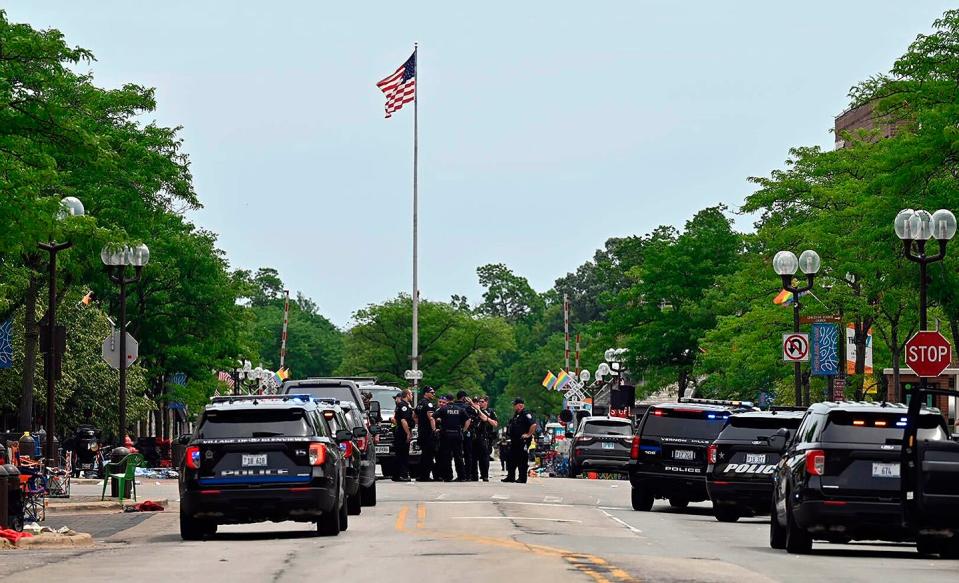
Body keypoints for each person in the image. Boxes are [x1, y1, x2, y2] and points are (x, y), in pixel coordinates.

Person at [503, 398, 537, 483]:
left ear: (520, 405)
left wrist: (528, 434)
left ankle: (522, 478)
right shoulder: (516, 415)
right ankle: (510, 476)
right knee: (511, 459)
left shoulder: (526, 414)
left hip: (523, 441)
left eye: (515, 404)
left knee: (522, 460)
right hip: (514, 441)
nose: (514, 406)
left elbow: (533, 424)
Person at [436, 391, 469, 481]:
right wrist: (464, 430)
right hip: (457, 434)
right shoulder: (460, 409)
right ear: (453, 400)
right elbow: (468, 420)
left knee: (446, 456)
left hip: (446, 435)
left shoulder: (443, 409)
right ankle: (462, 476)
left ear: (446, 400)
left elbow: (433, 417)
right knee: (458, 456)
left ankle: (448, 476)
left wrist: (437, 426)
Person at [468, 396, 498, 481]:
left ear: (486, 402)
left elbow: (495, 424)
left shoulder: (490, 411)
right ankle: (474, 476)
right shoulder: (473, 411)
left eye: (481, 401)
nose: (479, 403)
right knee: (473, 457)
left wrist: (481, 412)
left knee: (484, 458)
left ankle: (484, 475)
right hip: (474, 437)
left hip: (484, 437)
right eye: (478, 402)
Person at [415, 386, 437, 481]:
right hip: (428, 433)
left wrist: (420, 424)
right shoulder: (428, 404)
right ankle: (425, 476)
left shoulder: (419, 403)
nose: (433, 394)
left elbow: (414, 416)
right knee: (428, 455)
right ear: (426, 393)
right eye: (432, 392)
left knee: (423, 455)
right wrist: (434, 430)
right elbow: (431, 418)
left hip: (421, 432)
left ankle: (421, 475)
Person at [392, 389, 415, 482]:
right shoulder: (403, 406)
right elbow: (403, 420)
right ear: (407, 395)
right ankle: (403, 475)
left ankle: (397, 475)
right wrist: (408, 433)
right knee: (403, 454)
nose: (412, 396)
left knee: (399, 454)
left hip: (400, 431)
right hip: (402, 432)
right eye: (411, 394)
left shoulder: (401, 405)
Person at [457, 391, 477, 480]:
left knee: (458, 455)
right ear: (464, 398)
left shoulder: (453, 406)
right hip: (466, 433)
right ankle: (468, 475)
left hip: (456, 433)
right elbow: (476, 413)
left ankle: (460, 475)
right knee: (468, 455)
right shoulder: (468, 407)